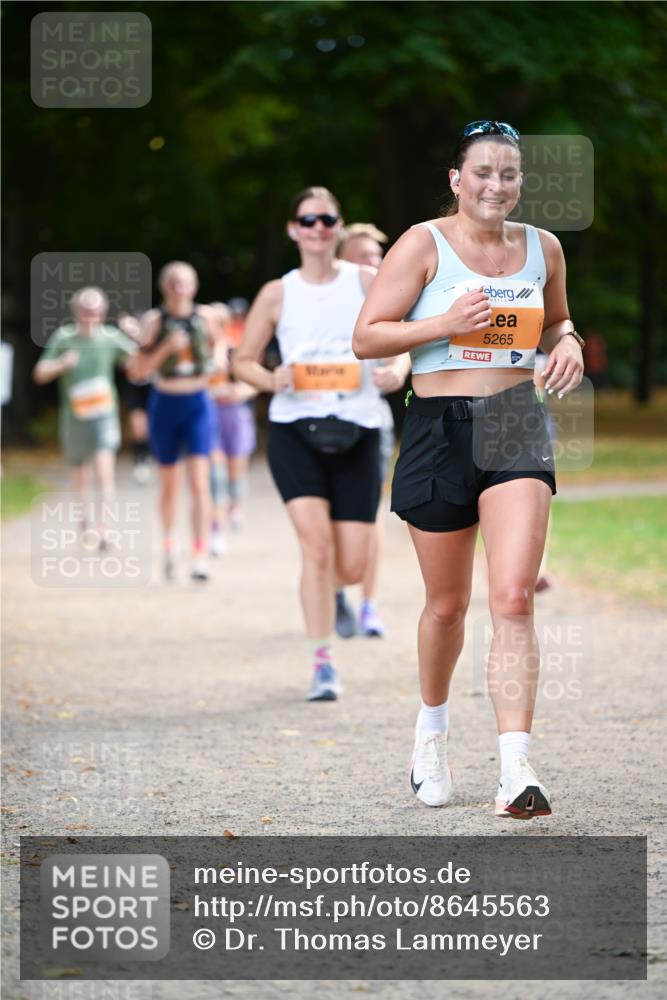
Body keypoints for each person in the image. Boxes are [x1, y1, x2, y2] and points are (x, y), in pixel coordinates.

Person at [353, 121, 584, 818]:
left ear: (520, 182)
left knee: (512, 596)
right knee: (447, 606)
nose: (496, 185)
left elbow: (556, 320)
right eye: (482, 172)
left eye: (508, 173)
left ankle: (516, 768)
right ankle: (431, 731)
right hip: (437, 427)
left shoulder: (543, 248)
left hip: (514, 420)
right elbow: (367, 336)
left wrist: (567, 341)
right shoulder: (422, 244)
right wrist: (443, 324)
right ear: (457, 179)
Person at [234, 186, 407, 701]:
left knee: (351, 564)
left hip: (360, 428)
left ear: (338, 226)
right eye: (308, 220)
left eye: (327, 219)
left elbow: (404, 339)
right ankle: (322, 664)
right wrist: (271, 379)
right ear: (293, 229)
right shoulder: (277, 293)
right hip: (295, 430)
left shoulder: (367, 281)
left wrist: (397, 370)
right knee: (314, 546)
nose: (317, 228)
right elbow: (241, 361)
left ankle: (339, 592)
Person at [335, 223, 411, 637]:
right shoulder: (322, 300)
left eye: (376, 256)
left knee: (370, 514)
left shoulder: (388, 298)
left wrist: (397, 371)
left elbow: (407, 344)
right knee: (331, 516)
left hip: (370, 421)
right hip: (319, 421)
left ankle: (368, 603)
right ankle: (334, 592)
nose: (373, 263)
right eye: (362, 255)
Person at [33, 287, 138, 540]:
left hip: (104, 415)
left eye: (96, 311)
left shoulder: (110, 337)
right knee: (80, 476)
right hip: (74, 418)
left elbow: (140, 363)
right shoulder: (64, 338)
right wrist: (61, 364)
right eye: (86, 311)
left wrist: (136, 335)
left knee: (104, 472)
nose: (91, 316)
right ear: (76, 311)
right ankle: (84, 523)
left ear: (103, 312)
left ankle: (104, 529)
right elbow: (40, 373)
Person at [136, 261, 216, 582]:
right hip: (165, 402)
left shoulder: (205, 317)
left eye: (184, 282)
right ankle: (169, 545)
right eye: (173, 282)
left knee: (199, 481)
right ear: (164, 287)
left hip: (197, 402)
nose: (179, 289)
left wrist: (218, 360)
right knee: (169, 484)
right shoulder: (154, 321)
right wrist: (165, 348)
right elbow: (138, 369)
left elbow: (221, 346)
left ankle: (200, 554)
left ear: (194, 287)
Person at [205, 301, 257, 555]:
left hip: (234, 414)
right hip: (208, 415)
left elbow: (255, 382)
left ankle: (235, 506)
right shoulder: (198, 351)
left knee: (236, 469)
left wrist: (240, 392)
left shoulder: (236, 349)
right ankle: (215, 528)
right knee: (215, 474)